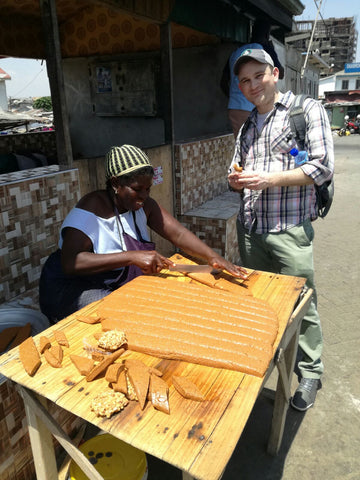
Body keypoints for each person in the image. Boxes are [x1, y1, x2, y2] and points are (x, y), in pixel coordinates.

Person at [227, 49, 334, 411]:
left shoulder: (305, 111)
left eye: (259, 75)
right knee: (262, 302)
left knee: (302, 303)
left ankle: (310, 371)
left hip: (289, 230)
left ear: (274, 73)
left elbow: (321, 168)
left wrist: (270, 179)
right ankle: (269, 359)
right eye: (245, 80)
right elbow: (237, 171)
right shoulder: (247, 126)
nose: (252, 85)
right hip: (251, 230)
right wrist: (236, 180)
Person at [39, 144, 248, 323]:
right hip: (71, 288)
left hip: (105, 282)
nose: (144, 196)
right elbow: (71, 262)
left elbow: (179, 235)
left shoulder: (144, 205)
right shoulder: (91, 209)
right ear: (115, 183)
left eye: (148, 189)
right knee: (131, 313)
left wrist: (213, 257)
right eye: (137, 189)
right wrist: (132, 256)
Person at [221, 20, 284, 139]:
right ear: (267, 35)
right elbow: (281, 73)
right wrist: (272, 48)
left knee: (244, 149)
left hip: (235, 109)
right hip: (256, 107)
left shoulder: (236, 52)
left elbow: (223, 82)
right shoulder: (264, 49)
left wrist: (236, 97)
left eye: (259, 75)